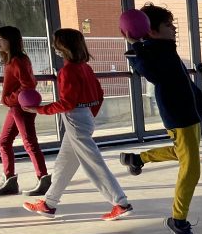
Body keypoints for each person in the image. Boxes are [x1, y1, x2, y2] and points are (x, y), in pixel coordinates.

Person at [21, 29, 132, 221]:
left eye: (56, 43)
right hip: (83, 117)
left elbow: (67, 103)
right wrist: (89, 115)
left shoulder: (67, 71)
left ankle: (121, 203)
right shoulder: (85, 68)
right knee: (64, 163)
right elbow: (99, 95)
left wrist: (38, 109)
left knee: (93, 163)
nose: (54, 46)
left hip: (75, 119)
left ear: (63, 46)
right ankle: (49, 204)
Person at [118, 3, 202, 234]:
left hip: (190, 114)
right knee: (191, 168)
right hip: (179, 116)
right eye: (168, 25)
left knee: (182, 153)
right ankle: (178, 219)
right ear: (151, 30)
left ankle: (137, 159)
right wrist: (135, 44)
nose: (173, 28)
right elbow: (149, 72)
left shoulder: (164, 48)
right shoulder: (148, 52)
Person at [0, 26, 50, 197]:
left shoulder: (17, 61)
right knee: (4, 142)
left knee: (29, 142)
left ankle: (43, 179)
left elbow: (28, 84)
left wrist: (9, 98)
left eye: (0, 39)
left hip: (21, 107)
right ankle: (10, 181)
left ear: (11, 40)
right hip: (16, 107)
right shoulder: (14, 60)